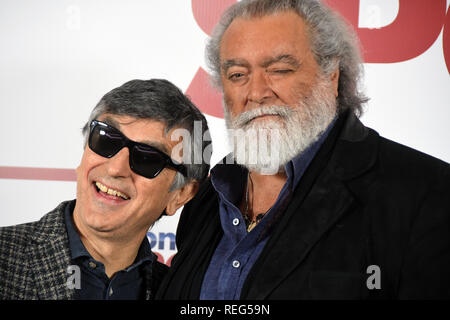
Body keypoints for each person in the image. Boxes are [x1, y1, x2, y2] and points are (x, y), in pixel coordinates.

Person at [156, 0, 450, 299]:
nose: (256, 93)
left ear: (331, 75)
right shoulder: (209, 196)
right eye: (237, 75)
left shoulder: (428, 194)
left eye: (280, 70)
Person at [0, 79, 210, 299]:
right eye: (106, 140)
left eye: (147, 158)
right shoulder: (6, 256)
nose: (115, 168)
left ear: (180, 194)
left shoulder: (181, 294)